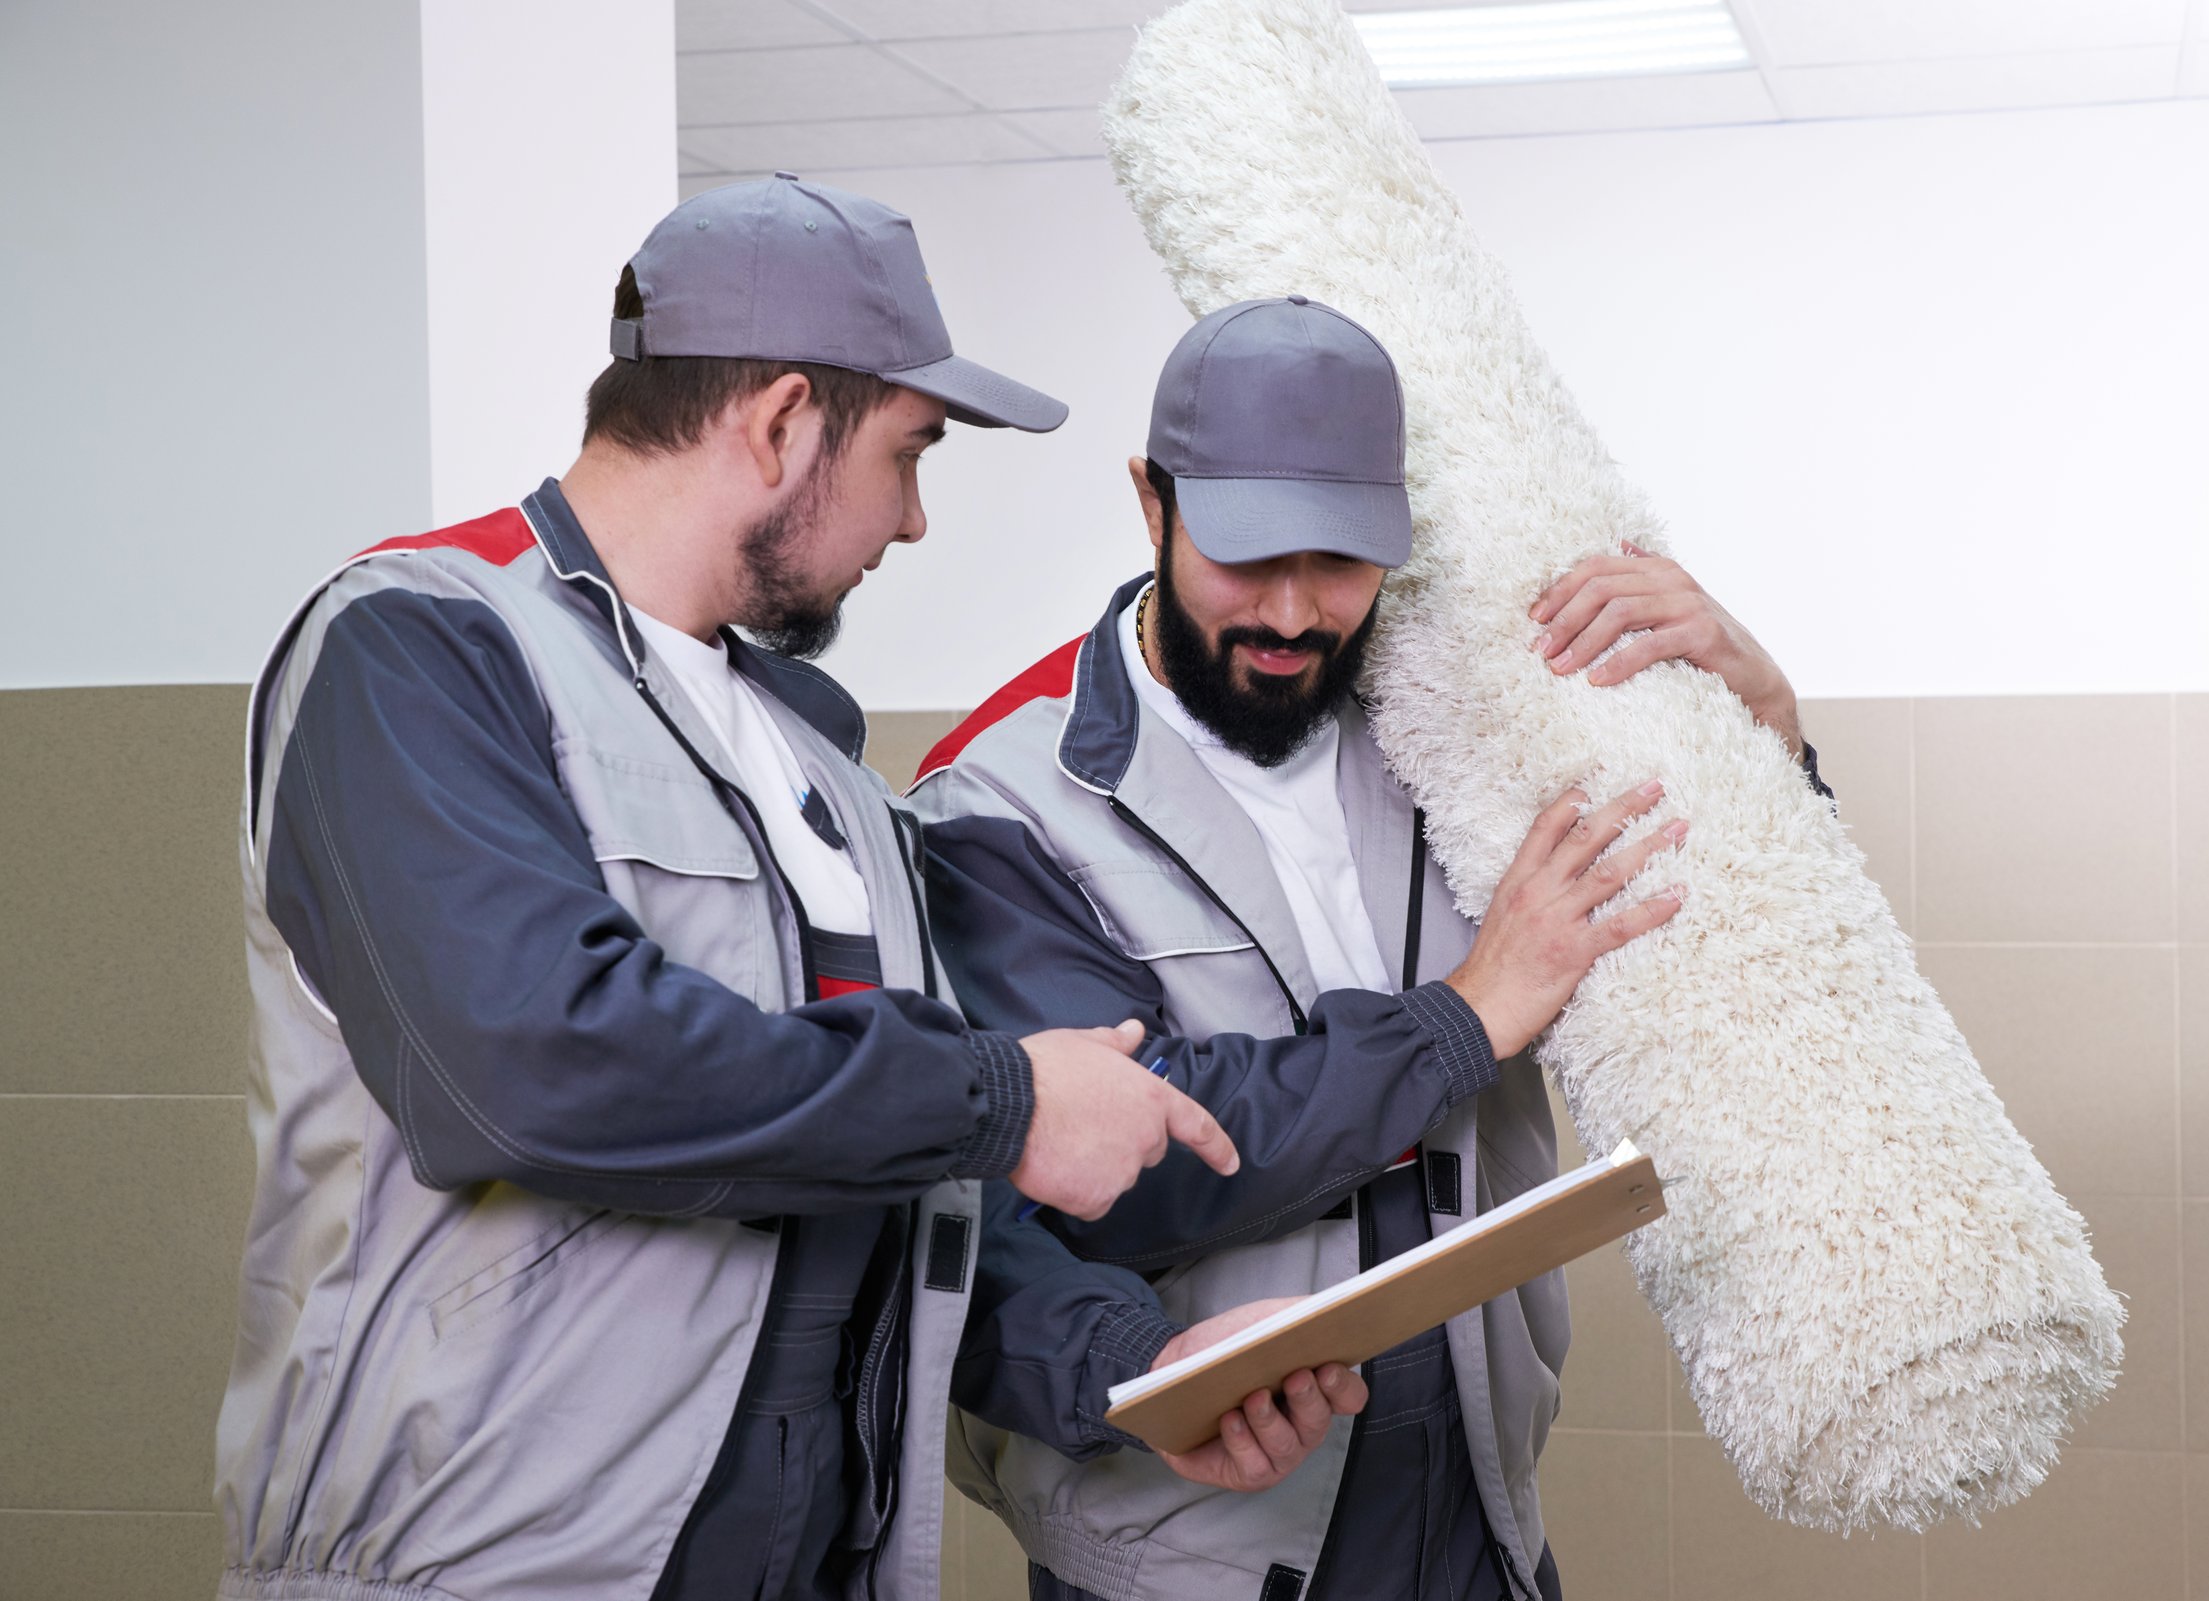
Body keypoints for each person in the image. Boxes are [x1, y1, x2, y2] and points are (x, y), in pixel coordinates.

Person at [214, 177, 1319, 1601]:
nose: (914, 521)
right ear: (784, 420)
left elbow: (887, 1175)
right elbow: (538, 1063)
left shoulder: (827, 776)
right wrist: (1008, 1097)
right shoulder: (414, 649)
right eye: (911, 453)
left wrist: (1134, 1368)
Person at [911, 296, 1831, 1600]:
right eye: (1246, 556)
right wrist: (1466, 1012)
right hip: (1192, 1540)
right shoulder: (999, 805)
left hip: (1475, 1508)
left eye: (1341, 562)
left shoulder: (1452, 728)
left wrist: (1766, 739)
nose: (1292, 612)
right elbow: (1113, 1170)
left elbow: (1725, 975)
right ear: (1150, 502)